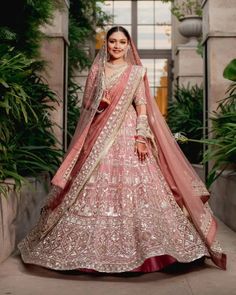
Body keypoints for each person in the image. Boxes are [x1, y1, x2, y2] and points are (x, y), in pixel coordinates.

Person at [18, 26, 226, 273]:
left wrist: (140, 137)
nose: (117, 46)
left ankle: (155, 252)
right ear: (106, 44)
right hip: (99, 136)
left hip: (129, 134)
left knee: (139, 187)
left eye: (122, 42)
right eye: (112, 41)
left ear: (129, 45)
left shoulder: (136, 72)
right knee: (93, 185)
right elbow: (87, 105)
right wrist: (99, 102)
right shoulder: (97, 70)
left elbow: (141, 106)